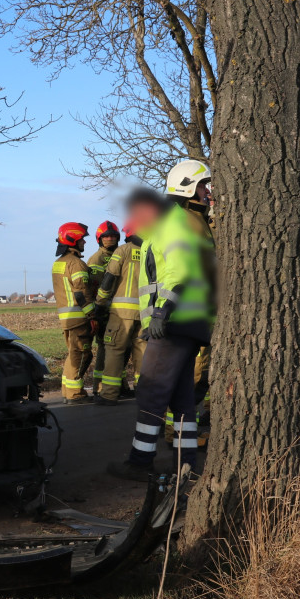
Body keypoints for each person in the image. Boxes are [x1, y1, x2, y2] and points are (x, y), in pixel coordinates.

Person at [108, 160, 215, 481]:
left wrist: (161, 311)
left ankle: (140, 463)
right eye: (203, 185)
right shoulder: (195, 222)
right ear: (185, 187)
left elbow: (179, 269)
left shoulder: (176, 220)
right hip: (193, 320)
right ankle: (186, 465)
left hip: (171, 321)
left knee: (152, 391)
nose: (208, 192)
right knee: (182, 399)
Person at [93, 191, 162, 405]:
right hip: (145, 313)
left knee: (114, 351)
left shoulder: (122, 251)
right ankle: (144, 394)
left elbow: (109, 280)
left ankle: (109, 395)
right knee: (142, 354)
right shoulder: (154, 251)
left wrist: (99, 304)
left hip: (120, 315)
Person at [53, 222, 94, 403]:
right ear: (73, 240)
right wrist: (92, 316)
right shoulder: (76, 263)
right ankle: (74, 394)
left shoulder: (58, 263)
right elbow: (81, 292)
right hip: (79, 318)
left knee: (73, 354)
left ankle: (66, 390)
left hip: (66, 318)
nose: (84, 242)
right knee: (81, 354)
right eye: (82, 239)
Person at [88, 221, 121, 393]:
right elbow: (93, 288)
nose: (110, 239)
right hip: (103, 312)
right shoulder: (96, 259)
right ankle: (98, 387)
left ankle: (119, 385)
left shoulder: (121, 253)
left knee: (121, 348)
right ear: (99, 239)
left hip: (119, 311)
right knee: (103, 349)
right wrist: (96, 314)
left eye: (113, 236)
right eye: (106, 236)